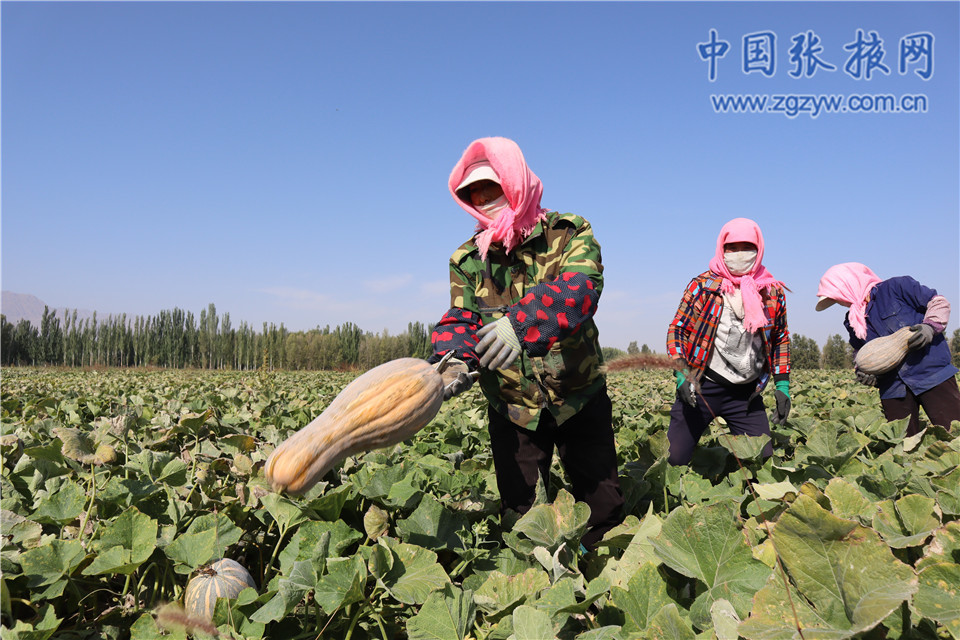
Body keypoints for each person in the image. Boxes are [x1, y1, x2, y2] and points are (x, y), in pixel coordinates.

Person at [428, 136, 623, 550]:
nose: (482, 198)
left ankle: (598, 583)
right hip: (512, 406)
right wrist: (453, 359)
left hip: (578, 395)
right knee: (522, 518)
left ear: (515, 181)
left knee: (603, 510)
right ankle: (536, 593)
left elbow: (581, 288)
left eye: (492, 186)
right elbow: (460, 317)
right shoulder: (467, 260)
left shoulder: (569, 232)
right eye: (472, 192)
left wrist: (521, 324)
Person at [665, 218, 791, 466]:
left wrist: (782, 386)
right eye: (732, 248)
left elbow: (780, 339)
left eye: (747, 247)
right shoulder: (703, 286)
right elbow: (677, 329)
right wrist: (682, 374)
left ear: (759, 250)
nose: (739, 254)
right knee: (674, 458)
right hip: (703, 385)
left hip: (746, 392)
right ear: (721, 250)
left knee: (762, 460)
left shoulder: (772, 291)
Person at [816, 262, 959, 436]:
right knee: (902, 448)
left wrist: (930, 327)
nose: (839, 302)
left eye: (837, 296)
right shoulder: (852, 321)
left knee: (955, 435)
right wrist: (863, 371)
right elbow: (860, 352)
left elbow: (938, 302)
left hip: (932, 375)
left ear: (848, 285)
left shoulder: (896, 287)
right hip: (893, 388)